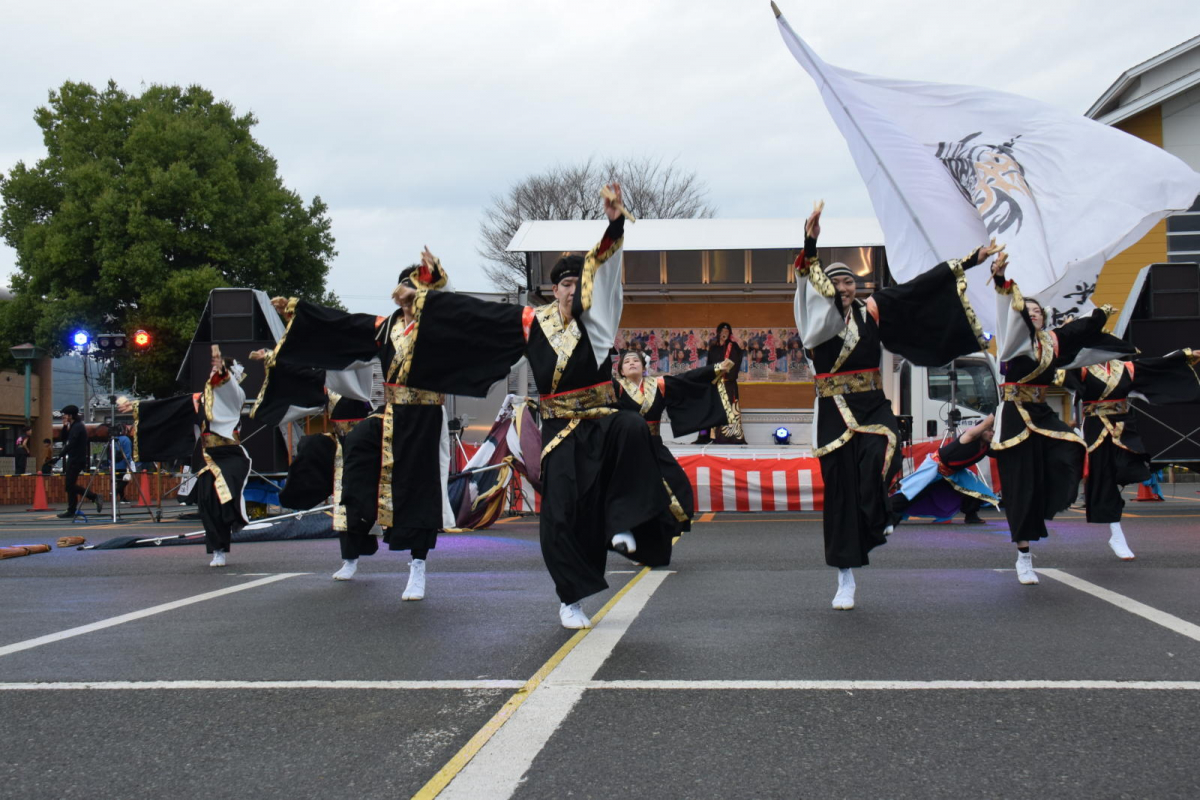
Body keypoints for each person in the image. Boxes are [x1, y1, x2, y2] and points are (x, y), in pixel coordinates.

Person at [392, 184, 680, 629]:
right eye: (565, 285)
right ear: (553, 289)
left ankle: (625, 524)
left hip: (600, 425)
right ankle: (570, 599)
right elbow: (475, 317)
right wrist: (427, 297)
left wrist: (615, 224)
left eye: (577, 285)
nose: (571, 293)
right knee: (561, 513)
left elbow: (606, 276)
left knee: (631, 428)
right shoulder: (533, 322)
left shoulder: (598, 322)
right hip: (559, 433)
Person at [795, 202, 998, 610]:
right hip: (834, 413)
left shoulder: (872, 312)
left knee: (883, 454)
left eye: (850, 281)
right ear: (822, 291)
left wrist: (968, 262)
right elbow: (806, 282)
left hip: (872, 406)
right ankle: (845, 577)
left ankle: (885, 513)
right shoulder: (814, 323)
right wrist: (810, 242)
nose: (845, 287)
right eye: (836, 283)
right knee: (840, 496)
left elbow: (919, 289)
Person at [268, 255, 456, 600]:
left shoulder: (440, 327)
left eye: (417, 288)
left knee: (418, 488)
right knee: (355, 448)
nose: (408, 294)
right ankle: (356, 522)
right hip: (392, 411)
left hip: (426, 416)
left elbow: (462, 319)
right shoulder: (385, 328)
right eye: (406, 286)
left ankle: (418, 566)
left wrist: (437, 280)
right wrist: (299, 312)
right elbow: (342, 325)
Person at [988, 255, 1136, 585]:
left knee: (1072, 448)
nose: (1035, 314)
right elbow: (1004, 308)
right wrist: (1000, 281)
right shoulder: (1012, 340)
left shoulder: (1052, 341)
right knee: (1018, 484)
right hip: (1015, 418)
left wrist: (1099, 315)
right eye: (1029, 311)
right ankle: (1023, 557)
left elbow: (1076, 331)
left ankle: (1048, 500)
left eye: (1039, 311)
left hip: (1042, 414)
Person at [1061, 350, 1200, 559]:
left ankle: (1115, 508)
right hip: (1096, 430)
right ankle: (1116, 533)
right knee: (1104, 479)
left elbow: (1157, 364)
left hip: (1123, 430)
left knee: (1129, 469)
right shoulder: (1081, 370)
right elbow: (1058, 373)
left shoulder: (1125, 368)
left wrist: (1184, 355)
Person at [122, 346, 250, 566]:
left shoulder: (235, 396)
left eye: (217, 375)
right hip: (207, 458)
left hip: (231, 457)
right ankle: (218, 549)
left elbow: (227, 387)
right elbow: (169, 408)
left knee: (226, 501)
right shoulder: (199, 399)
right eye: (211, 375)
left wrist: (223, 372)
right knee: (207, 504)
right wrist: (137, 407)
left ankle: (231, 521)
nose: (212, 378)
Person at [613, 349, 733, 542]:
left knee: (678, 485)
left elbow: (687, 380)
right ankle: (635, 538)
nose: (632, 363)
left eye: (636, 360)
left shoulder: (657, 385)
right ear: (621, 371)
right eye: (626, 362)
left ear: (644, 367)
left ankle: (663, 533)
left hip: (653, 446)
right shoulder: (615, 388)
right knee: (634, 496)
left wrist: (715, 368)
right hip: (628, 449)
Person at [889, 415, 999, 525]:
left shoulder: (986, 446)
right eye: (989, 430)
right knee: (914, 492)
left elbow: (1003, 453)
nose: (992, 433)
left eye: (993, 431)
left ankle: (971, 515)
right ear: (980, 430)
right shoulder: (969, 436)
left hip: (953, 472)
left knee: (974, 487)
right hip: (936, 467)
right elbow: (984, 424)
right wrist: (999, 410)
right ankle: (884, 510)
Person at [696, 322, 746, 444]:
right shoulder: (713, 348)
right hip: (715, 383)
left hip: (728, 383)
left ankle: (728, 437)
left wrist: (727, 371)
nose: (725, 334)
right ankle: (709, 436)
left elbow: (736, 362)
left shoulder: (733, 346)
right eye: (723, 332)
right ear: (718, 333)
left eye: (727, 332)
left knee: (728, 409)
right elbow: (709, 364)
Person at [58, 405, 101, 519]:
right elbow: (64, 439)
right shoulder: (73, 426)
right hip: (73, 458)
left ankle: (93, 497)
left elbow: (70, 443)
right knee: (69, 486)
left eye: (65, 415)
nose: (64, 416)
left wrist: (59, 455)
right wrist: (64, 426)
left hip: (77, 459)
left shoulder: (78, 426)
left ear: (71, 415)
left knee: (70, 485)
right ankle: (72, 509)